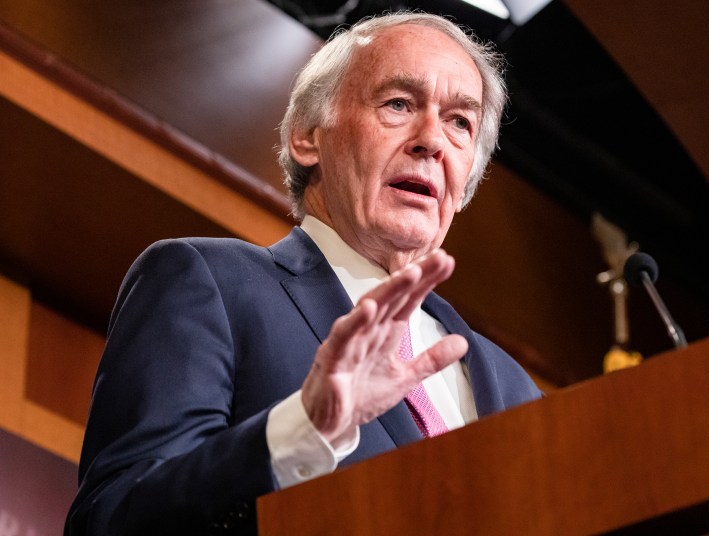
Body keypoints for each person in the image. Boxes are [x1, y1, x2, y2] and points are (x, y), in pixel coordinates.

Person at [65, 12, 543, 536]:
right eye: (399, 104)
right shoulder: (210, 284)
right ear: (306, 137)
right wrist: (300, 434)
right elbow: (111, 522)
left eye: (460, 122)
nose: (432, 139)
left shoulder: (514, 388)